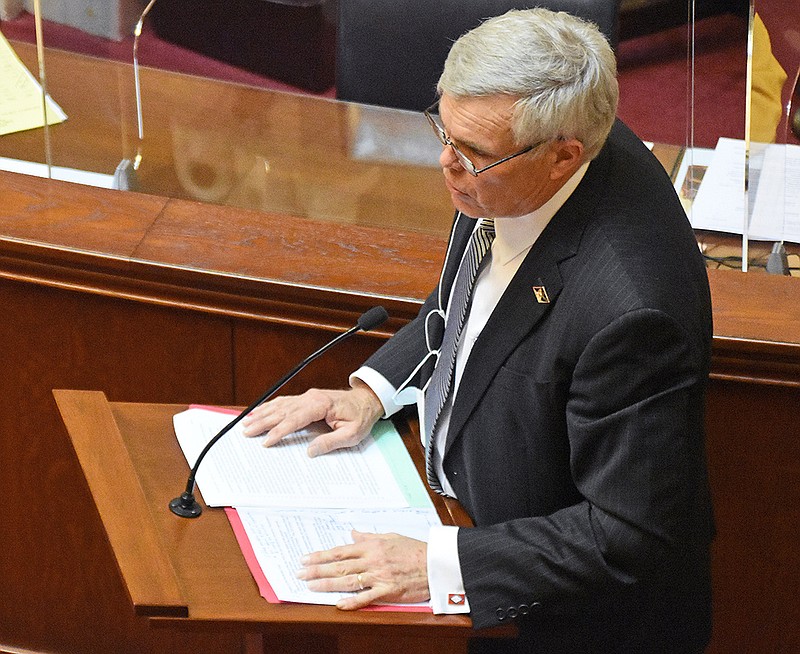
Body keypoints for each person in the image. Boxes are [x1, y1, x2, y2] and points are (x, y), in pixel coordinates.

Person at [242, 8, 714, 653]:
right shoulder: (513, 164)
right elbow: (472, 302)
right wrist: (373, 394)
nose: (446, 162)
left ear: (564, 156)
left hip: (564, 626)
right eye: (444, 130)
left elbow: (631, 532)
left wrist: (439, 565)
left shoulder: (632, 312)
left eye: (473, 153)